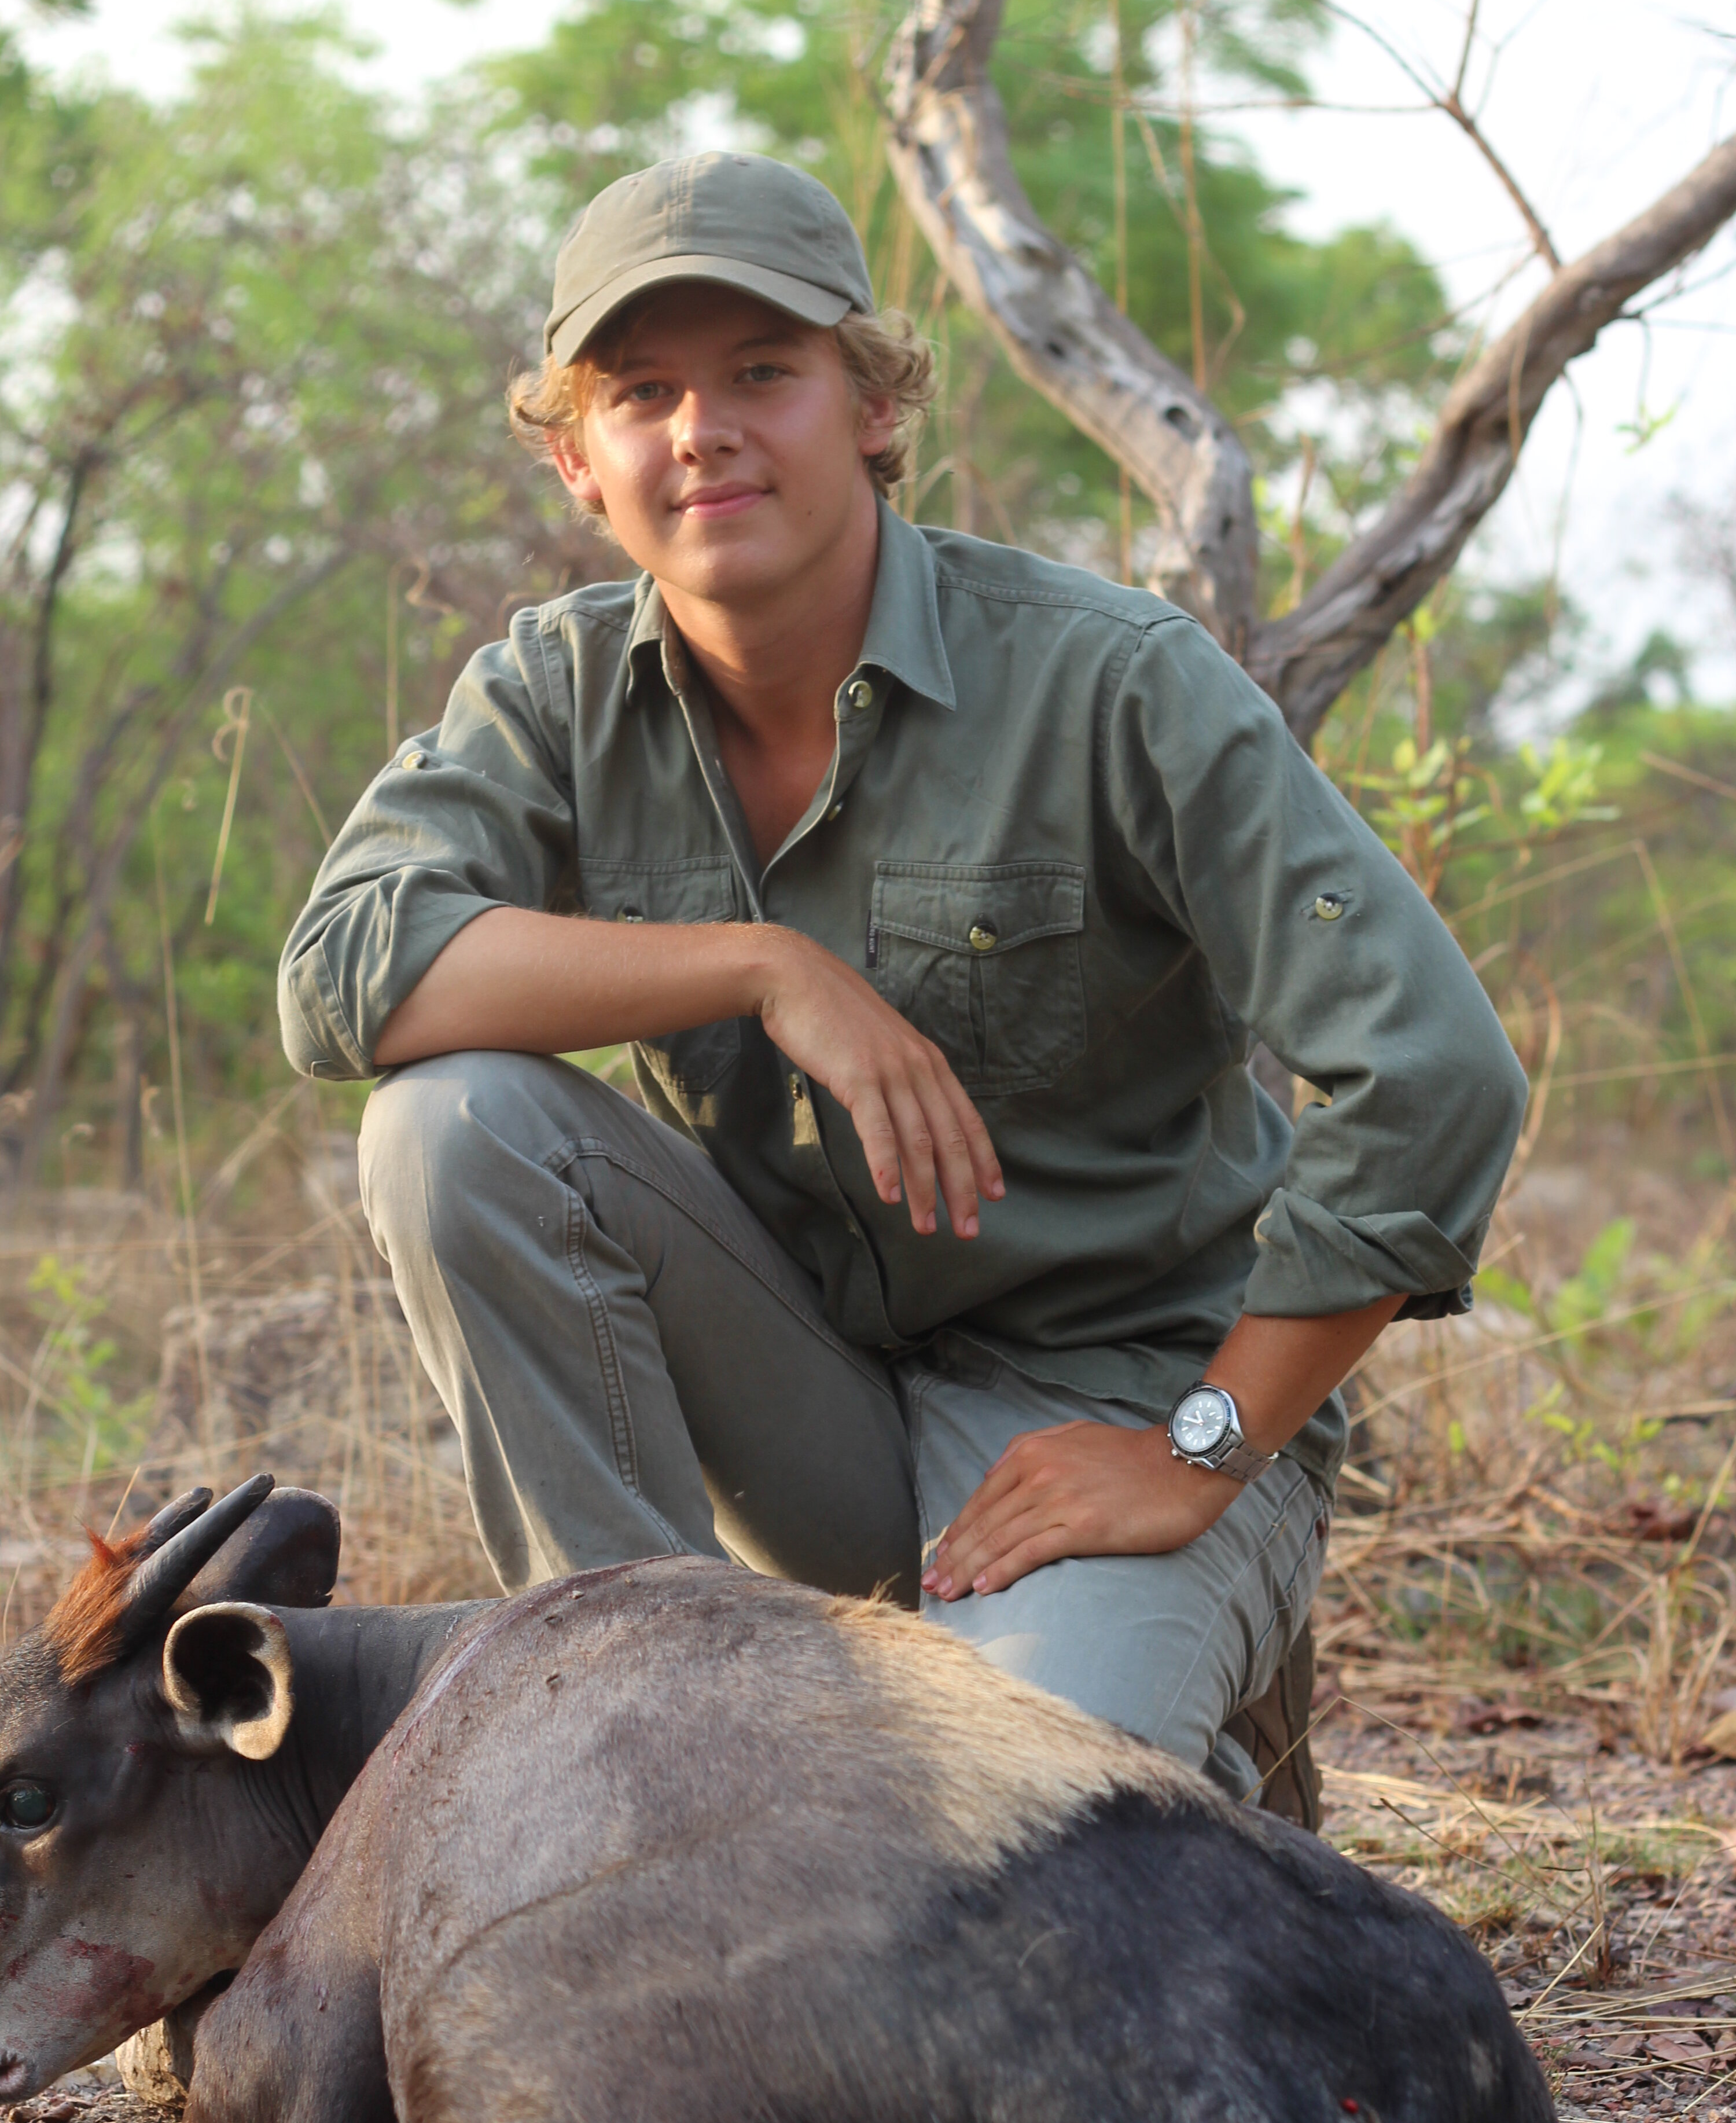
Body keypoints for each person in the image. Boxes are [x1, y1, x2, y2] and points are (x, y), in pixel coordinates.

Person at [278, 151, 1525, 1805]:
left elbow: (1436, 1073)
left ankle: (1188, 1746)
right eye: (642, 392)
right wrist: (759, 964)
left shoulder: (1113, 680)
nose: (703, 431)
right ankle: (629, 1728)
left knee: (1014, 1833)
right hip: (809, 1411)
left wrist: (1198, 1450)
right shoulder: (557, 693)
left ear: (872, 402)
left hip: (1107, 1408)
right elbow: (343, 975)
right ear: (582, 462)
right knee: (450, 1128)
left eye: (763, 374)